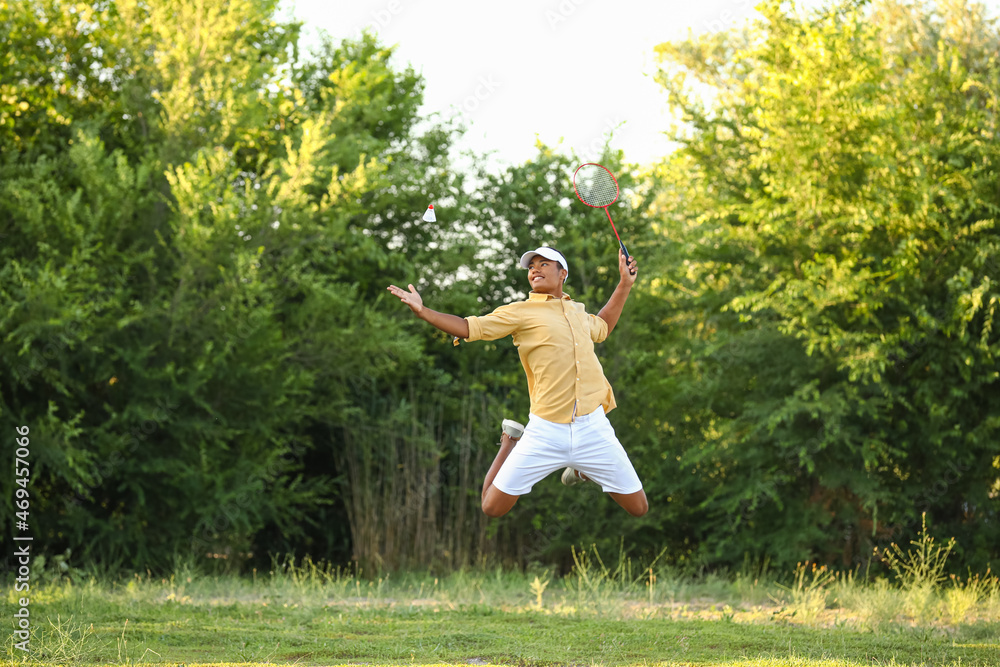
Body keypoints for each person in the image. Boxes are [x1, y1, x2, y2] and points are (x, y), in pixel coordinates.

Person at [387, 246, 647, 518]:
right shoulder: (520, 312)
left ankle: (582, 468)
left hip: (593, 427)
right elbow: (468, 327)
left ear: (563, 274)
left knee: (639, 508)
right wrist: (423, 310)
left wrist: (624, 284)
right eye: (531, 266)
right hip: (546, 429)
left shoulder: (579, 312)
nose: (535, 268)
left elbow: (603, 327)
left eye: (544, 263)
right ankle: (509, 441)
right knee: (491, 507)